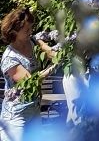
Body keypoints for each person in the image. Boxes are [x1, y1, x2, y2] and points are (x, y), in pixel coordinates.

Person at [0, 9, 55, 139]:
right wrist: (55, 67)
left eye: (31, 28)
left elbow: (51, 52)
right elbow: (32, 81)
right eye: (27, 30)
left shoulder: (33, 42)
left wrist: (64, 52)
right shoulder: (10, 58)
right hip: (16, 116)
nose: (31, 32)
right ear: (14, 31)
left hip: (34, 109)